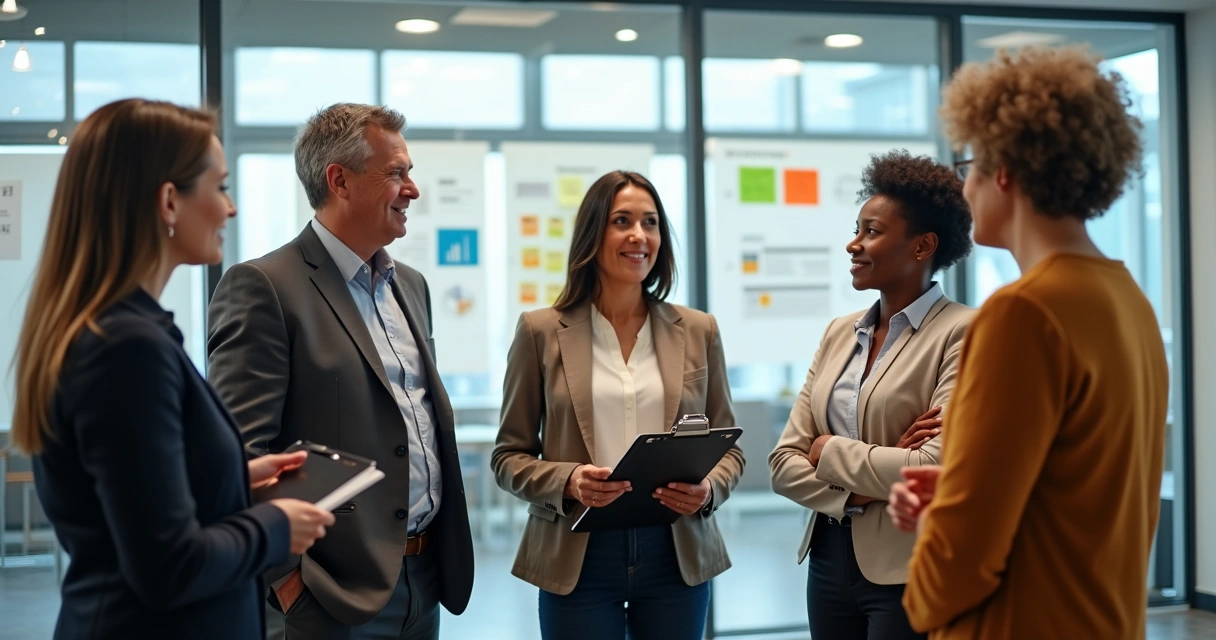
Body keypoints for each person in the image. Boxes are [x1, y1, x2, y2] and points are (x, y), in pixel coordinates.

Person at [10, 98, 333, 639]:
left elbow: (132, 503)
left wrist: (230, 478)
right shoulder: (125, 348)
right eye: (220, 186)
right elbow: (168, 565)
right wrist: (277, 525)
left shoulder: (110, 329)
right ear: (168, 202)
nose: (230, 209)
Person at [887, 45, 1169, 639]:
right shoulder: (1127, 301)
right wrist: (962, 488)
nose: (964, 189)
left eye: (971, 166)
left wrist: (922, 599)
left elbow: (970, 551)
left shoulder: (1023, 313)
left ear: (1007, 170)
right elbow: (1087, 489)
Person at [207, 103, 473, 640]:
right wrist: (289, 583)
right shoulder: (264, 286)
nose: (413, 189)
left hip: (425, 581)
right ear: (340, 181)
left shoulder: (412, 287)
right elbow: (237, 457)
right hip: (327, 597)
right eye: (397, 173)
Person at [491, 170, 743, 640]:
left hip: (677, 550)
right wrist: (567, 480)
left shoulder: (699, 330)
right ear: (593, 234)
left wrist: (709, 489)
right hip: (578, 551)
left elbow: (730, 448)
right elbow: (507, 458)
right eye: (621, 221)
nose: (638, 235)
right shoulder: (541, 332)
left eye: (650, 223)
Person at [768, 150, 974, 639]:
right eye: (856, 229)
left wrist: (827, 452)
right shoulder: (840, 333)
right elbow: (781, 464)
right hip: (826, 561)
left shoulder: (965, 333)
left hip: (908, 566)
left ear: (923, 246)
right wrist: (884, 465)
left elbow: (935, 469)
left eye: (871, 232)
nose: (853, 245)